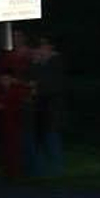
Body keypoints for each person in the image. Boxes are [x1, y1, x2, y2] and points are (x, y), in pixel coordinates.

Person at [31, 35, 65, 177]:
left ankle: (56, 168)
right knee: (40, 135)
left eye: (44, 45)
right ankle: (41, 169)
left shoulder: (56, 61)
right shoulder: (39, 63)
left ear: (51, 47)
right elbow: (33, 80)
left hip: (51, 104)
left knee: (51, 134)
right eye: (40, 46)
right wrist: (37, 62)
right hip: (40, 104)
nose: (41, 48)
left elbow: (52, 84)